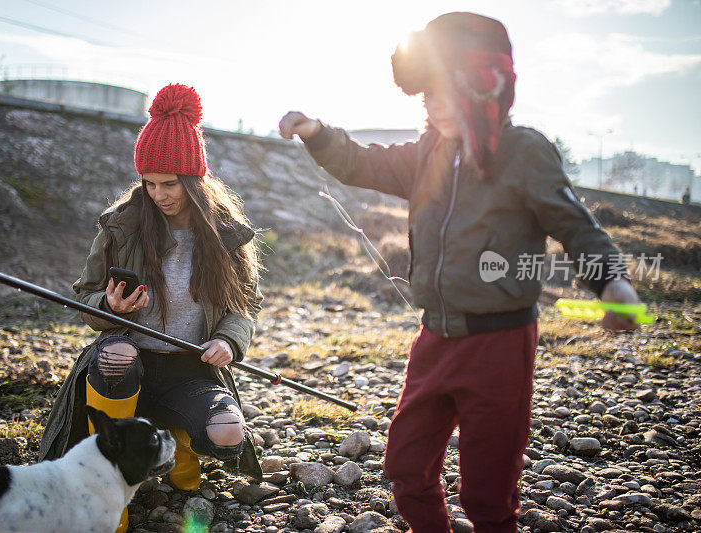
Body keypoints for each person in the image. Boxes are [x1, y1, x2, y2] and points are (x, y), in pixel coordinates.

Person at [280, 12, 642, 533]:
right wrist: (317, 133)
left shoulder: (524, 152)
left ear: (483, 89)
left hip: (499, 345)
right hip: (434, 339)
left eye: (446, 92)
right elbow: (364, 163)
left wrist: (613, 281)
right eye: (426, 94)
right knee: (405, 467)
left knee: (487, 494)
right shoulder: (429, 151)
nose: (434, 105)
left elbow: (575, 224)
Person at [40, 83, 263, 532]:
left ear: (195, 181)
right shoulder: (121, 224)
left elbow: (246, 305)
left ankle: (180, 441)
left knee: (228, 433)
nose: (158, 194)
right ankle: (114, 485)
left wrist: (227, 340)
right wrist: (109, 305)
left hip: (190, 369)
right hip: (127, 361)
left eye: (170, 183)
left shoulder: (225, 235)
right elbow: (84, 294)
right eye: (149, 182)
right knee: (118, 354)